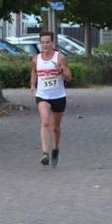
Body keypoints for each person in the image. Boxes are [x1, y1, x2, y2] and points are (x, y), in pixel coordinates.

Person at [31, 31, 72, 161]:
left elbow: (69, 77)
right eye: (43, 42)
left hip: (58, 96)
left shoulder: (59, 57)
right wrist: (32, 85)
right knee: (45, 121)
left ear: (52, 43)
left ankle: (55, 149)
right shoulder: (36, 59)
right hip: (42, 95)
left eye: (48, 42)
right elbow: (34, 72)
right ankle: (45, 153)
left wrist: (60, 70)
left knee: (55, 128)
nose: (45, 45)